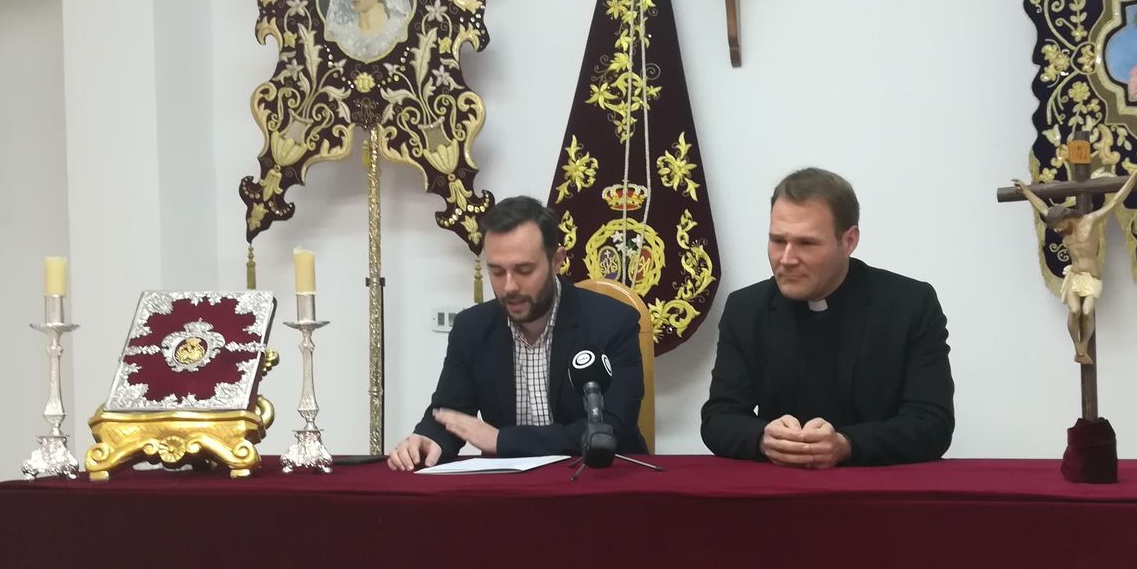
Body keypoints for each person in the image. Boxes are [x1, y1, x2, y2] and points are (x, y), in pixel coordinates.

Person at [700, 168, 955, 468]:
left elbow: (932, 424)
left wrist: (847, 445)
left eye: (807, 243)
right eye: (778, 241)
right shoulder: (746, 309)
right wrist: (763, 438)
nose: (786, 259)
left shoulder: (910, 305)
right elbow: (718, 417)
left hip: (877, 485)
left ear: (849, 241)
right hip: (779, 487)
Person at [388, 196, 647, 470]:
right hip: (509, 486)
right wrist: (429, 439)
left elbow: (612, 425)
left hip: (598, 478)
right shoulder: (472, 329)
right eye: (497, 271)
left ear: (556, 261)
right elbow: (449, 414)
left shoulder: (612, 322)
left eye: (524, 270)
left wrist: (502, 440)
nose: (509, 286)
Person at [1012, 173, 1137, 364]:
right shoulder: (1061, 226)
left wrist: (1132, 180)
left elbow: (1114, 202)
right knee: (1074, 310)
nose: (1058, 230)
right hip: (1074, 275)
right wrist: (1025, 190)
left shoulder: (1089, 221)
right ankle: (1079, 349)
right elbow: (1042, 207)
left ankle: (1084, 344)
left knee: (1087, 311)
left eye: (1058, 226)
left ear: (1065, 218)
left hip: (1091, 277)